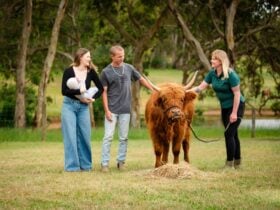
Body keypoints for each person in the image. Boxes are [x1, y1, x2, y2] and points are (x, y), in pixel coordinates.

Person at [99, 44, 156, 172]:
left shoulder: (129, 68)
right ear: (112, 57)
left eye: (123, 56)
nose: (122, 58)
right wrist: (107, 110)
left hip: (125, 110)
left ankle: (121, 162)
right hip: (112, 110)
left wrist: (153, 89)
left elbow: (141, 79)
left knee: (123, 138)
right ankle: (104, 164)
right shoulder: (106, 72)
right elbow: (103, 92)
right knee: (108, 137)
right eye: (119, 57)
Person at [189, 49, 245, 169]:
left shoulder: (231, 75)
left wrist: (234, 113)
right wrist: (185, 91)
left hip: (237, 106)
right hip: (225, 107)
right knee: (233, 134)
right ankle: (238, 162)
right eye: (212, 58)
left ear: (221, 61)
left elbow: (237, 94)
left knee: (228, 134)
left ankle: (229, 164)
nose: (211, 60)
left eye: (214, 59)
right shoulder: (212, 74)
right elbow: (200, 87)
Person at [61, 48, 104, 172]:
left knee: (85, 135)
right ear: (80, 57)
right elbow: (64, 91)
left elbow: (100, 88)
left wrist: (92, 98)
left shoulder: (91, 72)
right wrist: (79, 92)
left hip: (84, 108)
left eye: (90, 57)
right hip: (69, 106)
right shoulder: (68, 71)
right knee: (70, 136)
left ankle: (86, 166)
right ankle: (72, 167)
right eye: (88, 57)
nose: (90, 59)